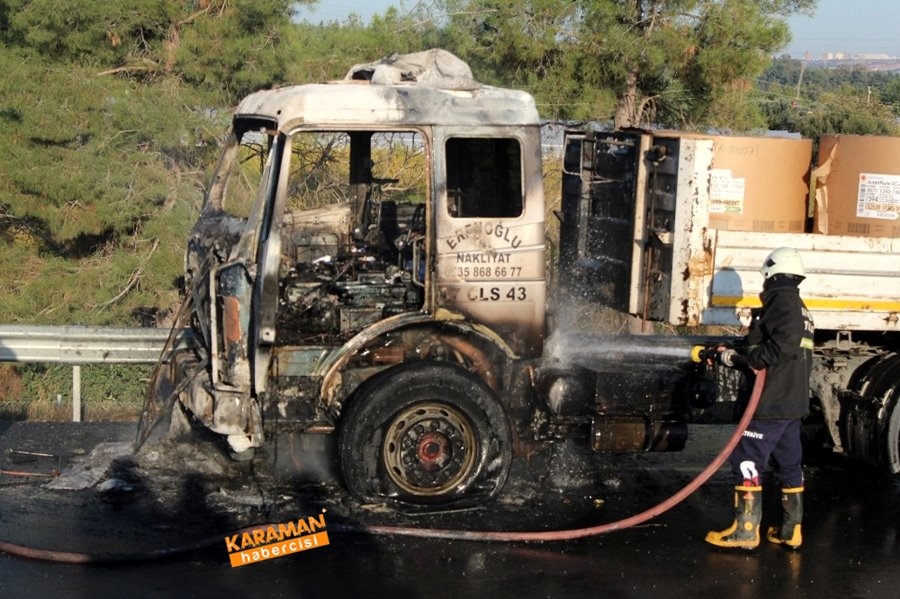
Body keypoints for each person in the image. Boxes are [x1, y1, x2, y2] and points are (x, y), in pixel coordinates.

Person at [705, 247, 814, 550]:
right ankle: (790, 531)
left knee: (747, 459)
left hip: (771, 403)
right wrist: (737, 350)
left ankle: (746, 531)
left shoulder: (782, 301)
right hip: (790, 404)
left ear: (771, 273)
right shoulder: (798, 306)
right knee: (789, 464)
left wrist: (742, 361)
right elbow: (773, 343)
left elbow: (779, 348)